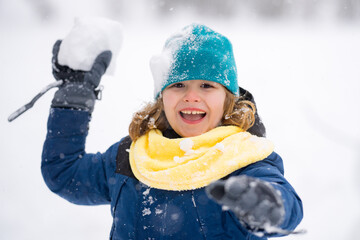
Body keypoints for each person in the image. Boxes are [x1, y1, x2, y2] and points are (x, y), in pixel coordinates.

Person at [42, 24, 303, 240]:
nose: (191, 96)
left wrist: (268, 203)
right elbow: (65, 174)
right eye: (178, 85)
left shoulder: (244, 158)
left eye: (206, 85)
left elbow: (285, 201)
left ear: (227, 99)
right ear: (161, 97)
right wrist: (73, 99)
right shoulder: (132, 156)